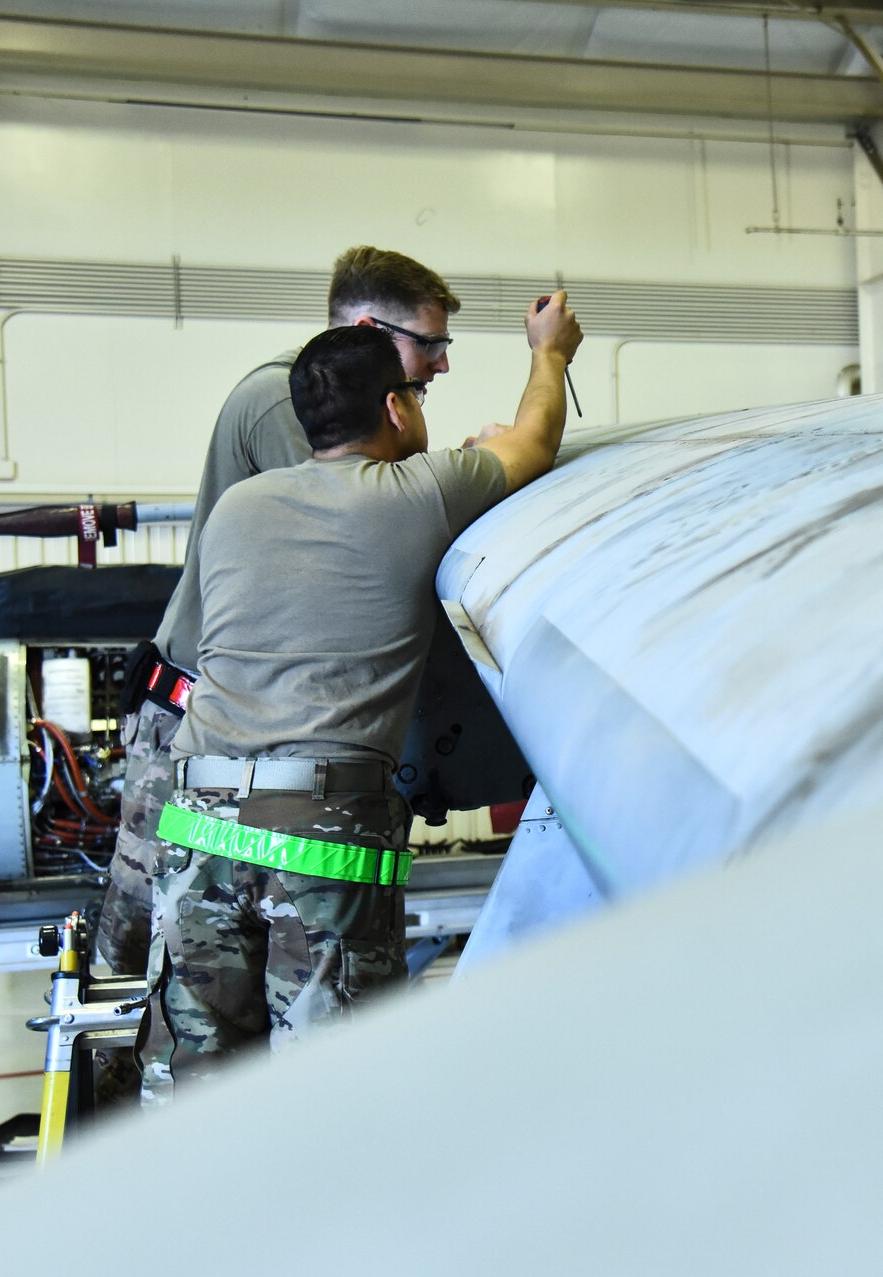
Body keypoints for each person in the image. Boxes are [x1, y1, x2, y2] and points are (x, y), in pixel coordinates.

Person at [140, 297, 582, 1098]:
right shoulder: (415, 496)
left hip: (196, 815)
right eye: (417, 394)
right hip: (318, 829)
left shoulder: (239, 510)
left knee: (193, 1085)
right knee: (333, 1090)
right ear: (392, 406)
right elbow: (537, 441)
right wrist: (548, 353)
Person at [94, 246, 462, 981]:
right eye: (430, 344)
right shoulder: (287, 407)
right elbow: (367, 521)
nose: (441, 366)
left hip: (230, 733)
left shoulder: (298, 400)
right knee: (145, 962)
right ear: (369, 329)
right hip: (205, 727)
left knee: (202, 981)